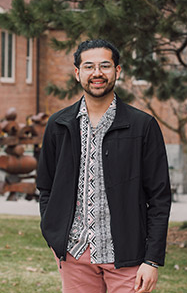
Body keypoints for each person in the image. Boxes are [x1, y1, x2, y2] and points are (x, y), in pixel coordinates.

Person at [37, 39, 171, 293]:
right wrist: (55, 237)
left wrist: (151, 260)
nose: (97, 73)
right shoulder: (58, 125)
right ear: (78, 73)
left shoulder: (142, 126)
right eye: (89, 66)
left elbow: (159, 198)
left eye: (105, 66)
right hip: (75, 255)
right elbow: (46, 188)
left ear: (117, 71)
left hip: (127, 257)